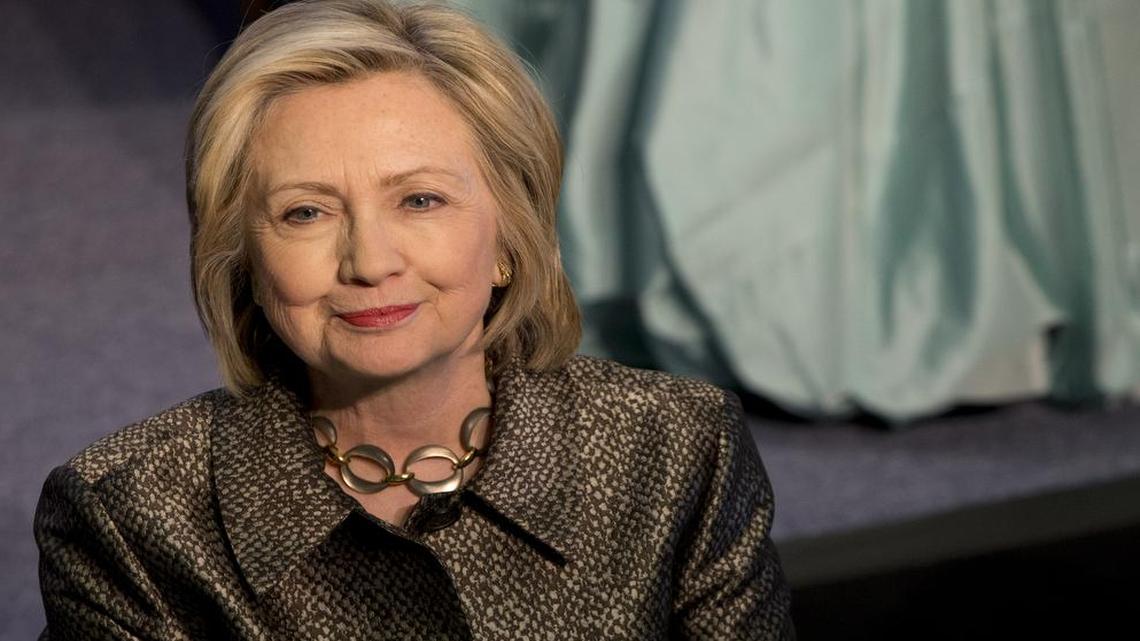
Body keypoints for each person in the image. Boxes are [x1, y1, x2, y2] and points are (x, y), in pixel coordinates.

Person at [33, 1, 795, 638]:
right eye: (305, 212)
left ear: (508, 236)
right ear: (244, 261)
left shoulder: (679, 452)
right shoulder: (129, 518)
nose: (369, 260)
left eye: (419, 200)